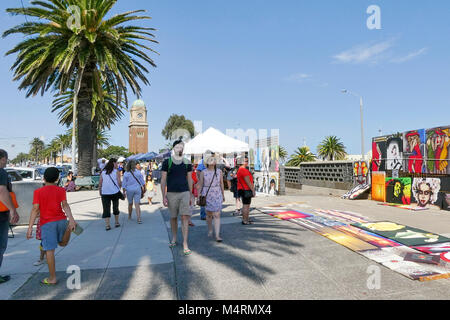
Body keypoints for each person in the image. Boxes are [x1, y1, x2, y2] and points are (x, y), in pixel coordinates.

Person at [26, 167, 77, 285]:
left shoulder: (38, 192)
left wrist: (30, 228)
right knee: (62, 243)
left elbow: (35, 209)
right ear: (57, 178)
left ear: (44, 178)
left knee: (49, 250)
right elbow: (65, 205)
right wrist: (72, 220)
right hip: (61, 220)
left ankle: (52, 278)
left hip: (47, 223)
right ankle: (68, 229)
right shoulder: (61, 190)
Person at [161, 140, 193, 255]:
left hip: (184, 192)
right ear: (174, 148)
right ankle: (174, 237)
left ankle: (185, 243)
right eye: (178, 147)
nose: (180, 149)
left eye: (182, 147)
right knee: (173, 217)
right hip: (171, 193)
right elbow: (163, 180)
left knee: (185, 217)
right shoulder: (167, 162)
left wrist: (191, 194)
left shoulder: (187, 162)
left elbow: (190, 178)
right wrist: (163, 196)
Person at [0, 149, 19, 284]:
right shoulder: (1, 172)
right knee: (1, 245)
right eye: (6, 159)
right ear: (2, 159)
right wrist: (12, 210)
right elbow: (1, 191)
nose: (6, 161)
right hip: (0, 215)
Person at [197, 154, 225, 242]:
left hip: (217, 193)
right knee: (209, 215)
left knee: (217, 214)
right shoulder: (203, 172)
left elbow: (221, 183)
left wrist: (223, 194)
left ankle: (217, 235)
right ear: (207, 161)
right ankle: (210, 229)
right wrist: (198, 196)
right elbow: (200, 184)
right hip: (207, 194)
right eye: (210, 159)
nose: (212, 160)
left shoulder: (219, 171)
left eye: (214, 159)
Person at [98, 159, 122, 230]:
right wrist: (119, 188)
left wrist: (100, 190)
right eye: (116, 163)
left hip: (105, 193)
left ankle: (107, 225)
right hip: (115, 192)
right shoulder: (116, 172)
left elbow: (100, 182)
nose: (117, 165)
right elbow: (119, 182)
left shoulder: (103, 172)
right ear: (113, 163)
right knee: (115, 207)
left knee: (106, 209)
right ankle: (117, 222)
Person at [236, 156, 255, 225]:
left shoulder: (240, 169)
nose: (247, 162)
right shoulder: (243, 170)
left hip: (242, 189)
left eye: (247, 161)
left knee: (245, 205)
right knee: (246, 206)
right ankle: (245, 220)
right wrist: (253, 190)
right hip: (246, 189)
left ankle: (246, 219)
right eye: (246, 161)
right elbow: (248, 182)